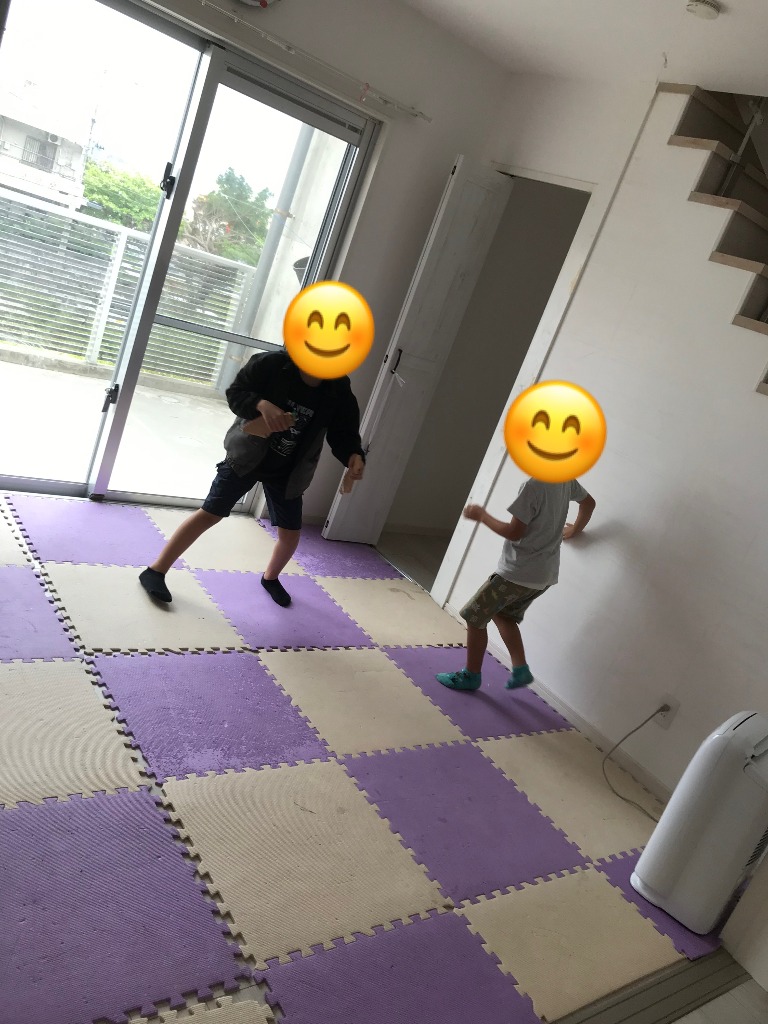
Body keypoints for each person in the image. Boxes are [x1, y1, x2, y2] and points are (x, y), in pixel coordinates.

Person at [139, 348, 366, 607]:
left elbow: (344, 431)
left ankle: (270, 578)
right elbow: (236, 393)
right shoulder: (272, 363)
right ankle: (156, 570)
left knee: (291, 534)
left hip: (289, 472)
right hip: (245, 457)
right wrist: (260, 404)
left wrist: (353, 455)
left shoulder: (338, 386)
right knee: (209, 514)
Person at [436, 477, 595, 692]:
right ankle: (520, 669)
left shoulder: (533, 486)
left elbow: (513, 532)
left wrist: (482, 516)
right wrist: (575, 529)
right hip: (544, 576)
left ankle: (471, 675)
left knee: (474, 616)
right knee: (504, 615)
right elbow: (589, 503)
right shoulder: (566, 480)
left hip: (516, 574)